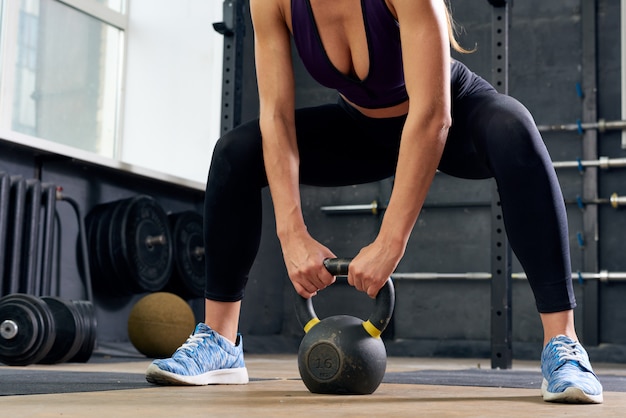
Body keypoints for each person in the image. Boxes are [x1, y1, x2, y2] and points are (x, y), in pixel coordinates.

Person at [145, 0, 603, 404]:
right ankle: (221, 343)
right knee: (235, 152)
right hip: (362, 130)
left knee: (513, 127)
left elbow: (431, 117)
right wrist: (291, 234)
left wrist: (389, 241)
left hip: (450, 114)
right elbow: (277, 120)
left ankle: (562, 345)